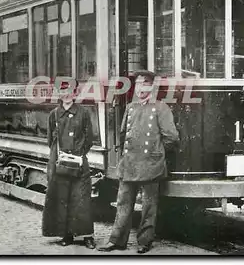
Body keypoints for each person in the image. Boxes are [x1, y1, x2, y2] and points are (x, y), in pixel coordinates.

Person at [98, 70, 179, 254]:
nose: (140, 88)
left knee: (149, 206)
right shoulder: (131, 107)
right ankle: (117, 240)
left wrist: (156, 154)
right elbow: (123, 134)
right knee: (123, 203)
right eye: (138, 84)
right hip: (130, 163)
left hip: (151, 164)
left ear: (152, 86)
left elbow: (171, 138)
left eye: (145, 84)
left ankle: (145, 241)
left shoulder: (161, 107)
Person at [42, 79, 96, 249]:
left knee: (82, 200)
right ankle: (67, 235)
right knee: (62, 198)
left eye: (70, 91)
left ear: (75, 93)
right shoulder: (54, 114)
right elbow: (51, 140)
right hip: (60, 164)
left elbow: (89, 139)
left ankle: (87, 236)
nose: (66, 94)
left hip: (79, 163)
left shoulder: (84, 113)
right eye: (62, 91)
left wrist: (78, 155)